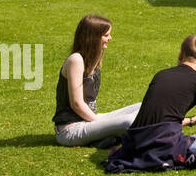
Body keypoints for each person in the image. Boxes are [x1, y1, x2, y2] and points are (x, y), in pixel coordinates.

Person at [104, 35, 196, 172]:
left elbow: (160, 116)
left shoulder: (161, 74)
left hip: (136, 141)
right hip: (165, 145)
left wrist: (191, 120)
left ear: (181, 53)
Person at [53, 14, 141, 148]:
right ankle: (109, 137)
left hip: (88, 120)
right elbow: (76, 104)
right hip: (70, 130)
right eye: (106, 35)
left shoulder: (92, 59)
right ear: (93, 38)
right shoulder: (75, 60)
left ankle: (104, 138)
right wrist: (98, 123)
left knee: (142, 107)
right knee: (128, 121)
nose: (110, 38)